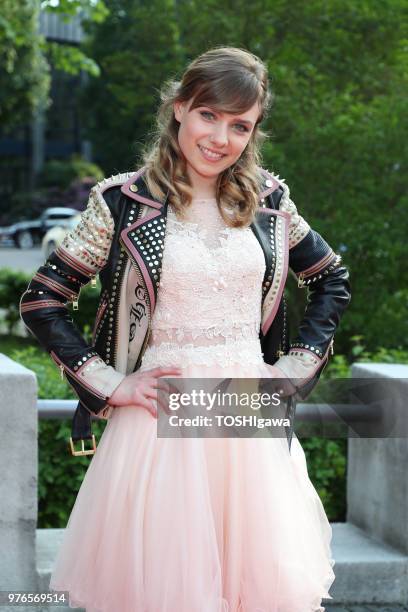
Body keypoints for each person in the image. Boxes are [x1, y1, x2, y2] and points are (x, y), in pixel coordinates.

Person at [20, 46, 351, 611]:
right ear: (179, 109)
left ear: (254, 132)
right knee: (169, 587)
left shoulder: (270, 203)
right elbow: (43, 300)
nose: (220, 138)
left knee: (255, 587)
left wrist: (291, 373)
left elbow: (331, 280)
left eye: (239, 125)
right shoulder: (123, 203)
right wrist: (110, 383)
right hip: (159, 417)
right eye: (209, 115)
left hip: (246, 412)